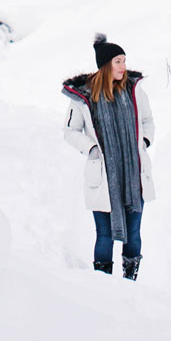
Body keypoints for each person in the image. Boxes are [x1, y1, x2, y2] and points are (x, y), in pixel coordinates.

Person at [62, 33, 154, 280]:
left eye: (124, 61)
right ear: (105, 66)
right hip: (104, 177)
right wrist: (91, 148)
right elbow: (70, 131)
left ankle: (129, 281)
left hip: (133, 175)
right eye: (118, 62)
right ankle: (103, 286)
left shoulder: (134, 92)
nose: (123, 67)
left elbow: (147, 121)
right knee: (104, 235)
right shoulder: (85, 97)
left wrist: (144, 141)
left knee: (134, 234)